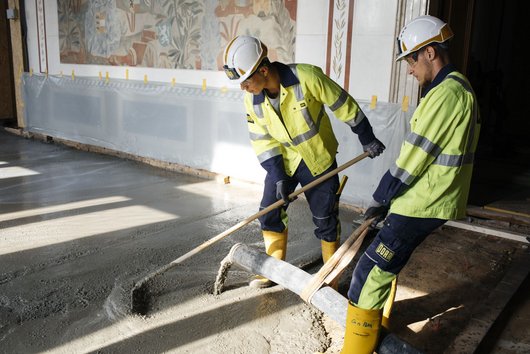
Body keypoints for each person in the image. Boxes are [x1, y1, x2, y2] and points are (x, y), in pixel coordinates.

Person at [341, 15, 481, 353]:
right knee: (385, 265)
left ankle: (357, 347)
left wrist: (382, 197)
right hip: (427, 199)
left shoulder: (447, 95)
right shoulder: (452, 90)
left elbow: (414, 158)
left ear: (430, 53)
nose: (409, 70)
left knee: (367, 275)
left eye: (411, 61)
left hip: (423, 203)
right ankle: (377, 325)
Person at [222, 36, 385, 288]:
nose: (243, 88)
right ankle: (272, 268)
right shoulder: (252, 99)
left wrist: (367, 138)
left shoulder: (307, 77)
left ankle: (330, 273)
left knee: (325, 216)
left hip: (317, 159)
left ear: (263, 70)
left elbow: (343, 105)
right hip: (284, 162)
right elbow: (262, 140)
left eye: (245, 82)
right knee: (269, 210)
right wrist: (277, 177)